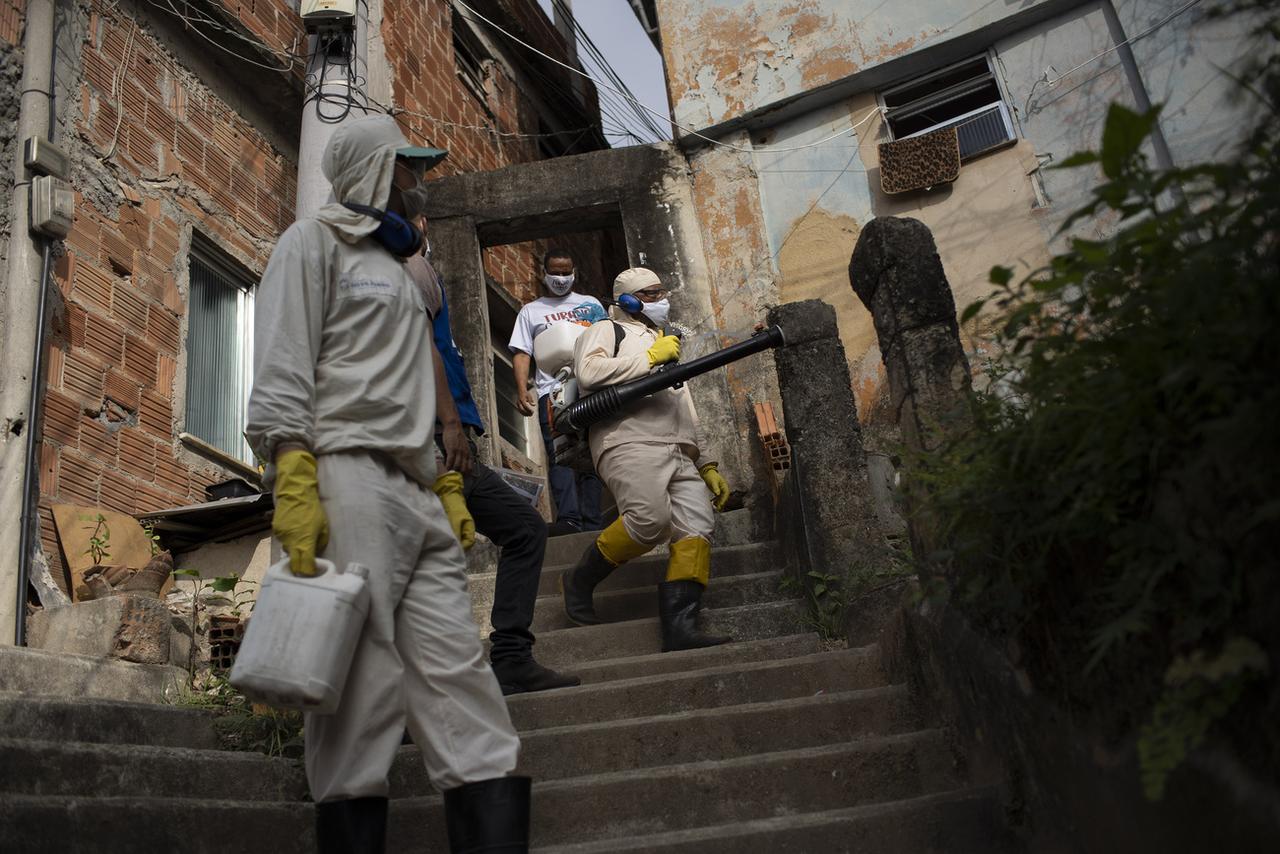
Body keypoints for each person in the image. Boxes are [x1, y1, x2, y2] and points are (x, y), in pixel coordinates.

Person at [245, 113, 527, 854]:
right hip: (344, 475)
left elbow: (410, 386)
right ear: (373, 168)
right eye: (409, 167)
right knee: (363, 687)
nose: (419, 182)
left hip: (413, 487)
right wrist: (292, 473)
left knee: (459, 673)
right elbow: (281, 363)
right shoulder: (310, 244)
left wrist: (445, 485)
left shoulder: (401, 271)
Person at [411, 240, 581, 695]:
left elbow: (437, 350)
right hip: (422, 438)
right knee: (421, 563)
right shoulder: (403, 267)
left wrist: (458, 427)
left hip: (449, 438)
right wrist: (448, 425)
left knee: (524, 528)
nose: (423, 223)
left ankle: (509, 659)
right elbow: (420, 348)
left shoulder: (419, 269)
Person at [559, 267, 734, 652]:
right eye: (652, 294)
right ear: (628, 299)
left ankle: (681, 628)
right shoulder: (607, 330)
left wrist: (705, 463)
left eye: (662, 292)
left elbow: (683, 403)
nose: (662, 300)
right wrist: (649, 359)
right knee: (649, 519)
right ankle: (580, 580)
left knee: (697, 528)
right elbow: (589, 372)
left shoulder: (663, 340)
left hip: (678, 446)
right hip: (628, 440)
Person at [508, 250, 608, 535]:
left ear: (574, 271)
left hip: (590, 387)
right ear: (544, 272)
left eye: (566, 272)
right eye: (555, 272)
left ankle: (592, 522)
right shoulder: (531, 311)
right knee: (558, 454)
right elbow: (521, 352)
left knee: (591, 452)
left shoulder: (590, 305)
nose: (561, 278)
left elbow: (608, 339)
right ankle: (570, 519)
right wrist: (521, 388)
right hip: (551, 393)